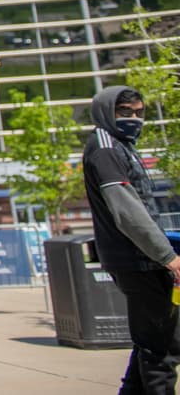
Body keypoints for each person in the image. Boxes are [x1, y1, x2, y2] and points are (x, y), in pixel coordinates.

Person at [83, 85, 180, 394]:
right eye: (125, 113)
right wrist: (169, 257)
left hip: (144, 259)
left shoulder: (121, 145)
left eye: (139, 113)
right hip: (137, 260)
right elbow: (128, 212)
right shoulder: (107, 148)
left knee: (150, 343)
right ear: (106, 113)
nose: (134, 119)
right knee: (162, 348)